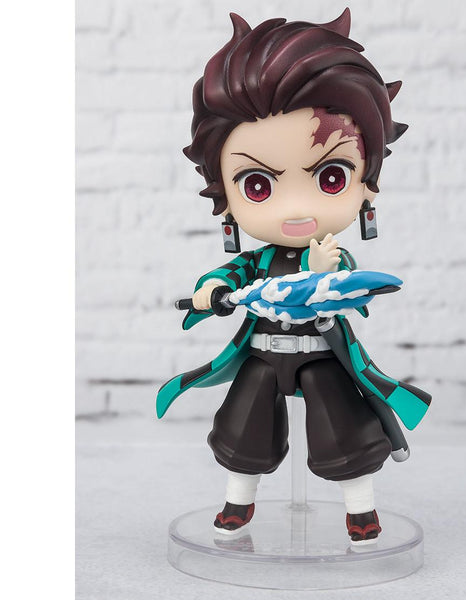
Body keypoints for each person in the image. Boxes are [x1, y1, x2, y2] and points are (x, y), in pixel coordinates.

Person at [156, 9, 431, 545]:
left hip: (323, 355)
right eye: (258, 185)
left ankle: (360, 509)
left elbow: (348, 285)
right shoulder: (257, 263)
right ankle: (238, 502)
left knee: (344, 433)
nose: (296, 208)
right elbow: (226, 275)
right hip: (262, 355)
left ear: (367, 183)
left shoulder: (330, 252)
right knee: (243, 430)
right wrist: (213, 291)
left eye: (331, 177)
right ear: (225, 195)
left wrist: (326, 276)